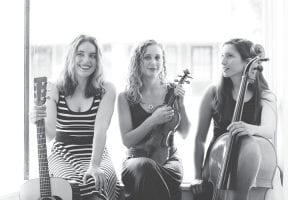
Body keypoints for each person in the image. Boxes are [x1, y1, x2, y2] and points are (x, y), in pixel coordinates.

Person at [31, 35, 119, 200]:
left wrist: (94, 165)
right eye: (80, 54)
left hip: (95, 153)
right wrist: (38, 120)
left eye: (92, 55)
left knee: (97, 181)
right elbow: (50, 134)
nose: (86, 60)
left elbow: (101, 129)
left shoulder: (107, 89)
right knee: (69, 186)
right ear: (71, 56)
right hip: (63, 153)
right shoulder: (54, 87)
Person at [192, 38, 280, 200]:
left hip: (250, 166)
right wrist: (198, 175)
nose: (223, 61)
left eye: (230, 56)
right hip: (215, 165)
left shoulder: (266, 96)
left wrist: (250, 128)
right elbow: (200, 140)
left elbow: (268, 129)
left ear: (248, 61)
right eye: (222, 56)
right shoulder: (212, 93)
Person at [117, 39, 190, 200]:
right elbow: (128, 140)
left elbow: (184, 132)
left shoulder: (172, 91)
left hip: (169, 161)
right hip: (136, 160)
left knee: (149, 177)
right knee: (146, 166)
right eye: (147, 57)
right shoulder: (125, 97)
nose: (153, 62)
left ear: (163, 62)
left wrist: (181, 105)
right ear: (138, 62)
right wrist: (152, 120)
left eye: (157, 57)